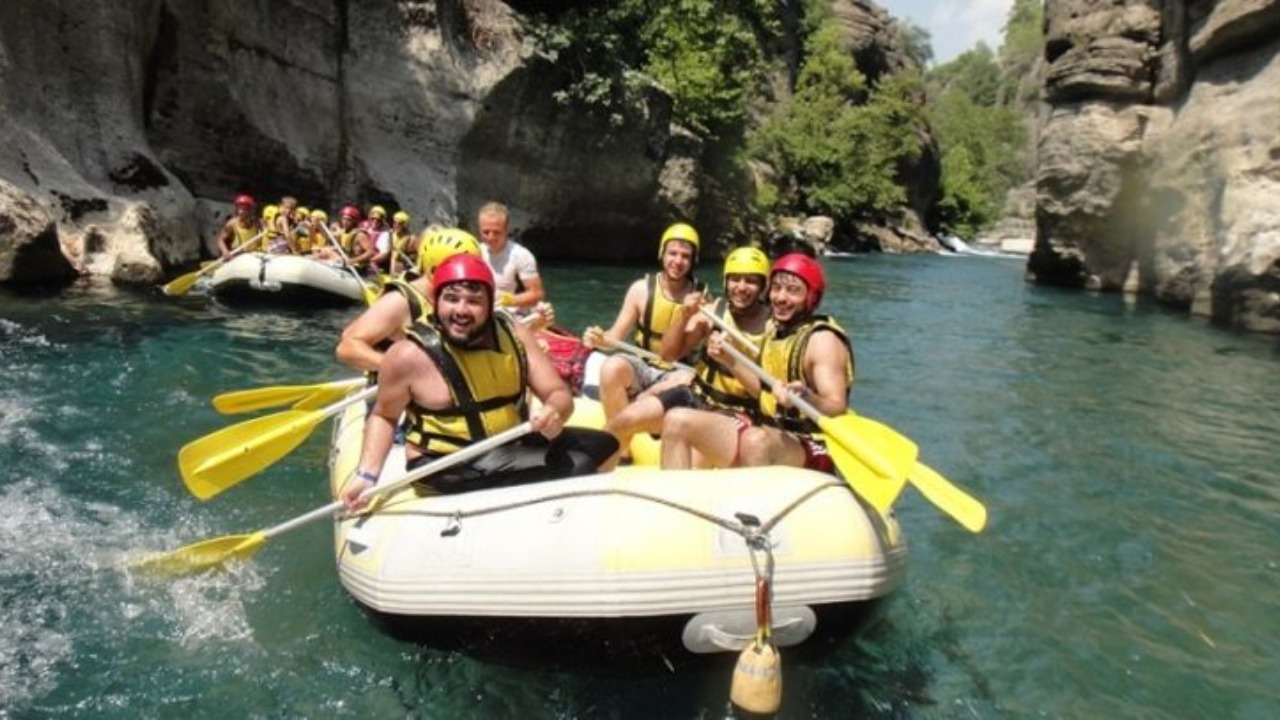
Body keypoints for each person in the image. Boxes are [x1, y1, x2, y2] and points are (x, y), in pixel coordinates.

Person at [340, 254, 617, 509]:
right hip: (446, 465)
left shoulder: (515, 335)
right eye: (451, 298)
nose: (461, 310)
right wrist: (367, 475)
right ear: (436, 302)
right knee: (578, 465)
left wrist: (555, 411)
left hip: (507, 445)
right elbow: (385, 416)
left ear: (489, 305)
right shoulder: (408, 355)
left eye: (474, 301)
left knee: (604, 444)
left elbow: (557, 392)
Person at [659, 253, 852, 472]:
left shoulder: (822, 340)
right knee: (676, 420)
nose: (781, 297)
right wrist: (729, 360)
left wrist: (805, 397)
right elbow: (762, 393)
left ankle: (750, 495)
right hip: (769, 430)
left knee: (755, 441)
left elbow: (837, 407)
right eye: (776, 288)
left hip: (811, 442)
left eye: (792, 290)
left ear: (811, 297)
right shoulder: (775, 332)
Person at [600, 246, 771, 465]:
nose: (741, 287)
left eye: (751, 281)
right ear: (726, 281)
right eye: (735, 279)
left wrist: (731, 361)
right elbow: (668, 355)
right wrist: (684, 315)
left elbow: (765, 395)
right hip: (697, 396)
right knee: (621, 422)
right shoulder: (713, 312)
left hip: (734, 412)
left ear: (763, 286)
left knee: (691, 465)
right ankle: (602, 472)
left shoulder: (771, 328)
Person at [582, 222, 708, 425]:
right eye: (672, 253)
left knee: (686, 379)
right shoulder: (640, 290)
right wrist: (599, 340)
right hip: (642, 366)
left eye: (685, 256)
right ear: (662, 254)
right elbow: (616, 336)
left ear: (694, 260)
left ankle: (637, 406)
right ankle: (618, 434)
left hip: (678, 372)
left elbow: (681, 351)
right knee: (611, 366)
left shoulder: (702, 300)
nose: (678, 261)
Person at [336, 228, 482, 373]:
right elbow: (348, 347)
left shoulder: (454, 301)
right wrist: (405, 370)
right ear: (434, 269)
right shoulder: (400, 301)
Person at [476, 201, 545, 311]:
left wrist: (507, 300)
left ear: (506, 230)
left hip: (504, 311)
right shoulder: (473, 251)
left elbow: (536, 294)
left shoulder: (521, 255)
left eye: (496, 232)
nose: (490, 237)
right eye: (486, 232)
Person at [214, 194, 263, 258]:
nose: (241, 212)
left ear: (250, 210)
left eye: (245, 209)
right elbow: (220, 240)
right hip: (238, 256)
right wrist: (225, 251)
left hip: (254, 256)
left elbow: (266, 234)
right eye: (239, 209)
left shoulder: (257, 222)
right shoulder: (232, 224)